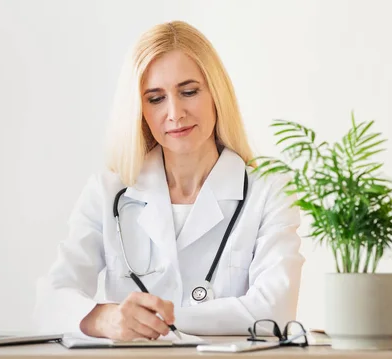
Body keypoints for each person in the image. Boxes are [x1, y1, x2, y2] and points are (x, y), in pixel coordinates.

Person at [33, 20, 304, 340]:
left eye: (188, 92)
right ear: (139, 109)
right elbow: (50, 302)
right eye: (155, 98)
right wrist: (105, 319)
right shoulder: (107, 193)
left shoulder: (269, 192)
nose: (175, 113)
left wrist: (159, 320)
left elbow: (275, 311)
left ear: (216, 93)